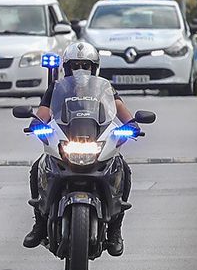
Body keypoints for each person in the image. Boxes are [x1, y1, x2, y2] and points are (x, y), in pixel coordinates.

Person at [22, 40, 138, 255]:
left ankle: (115, 230)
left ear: (94, 68)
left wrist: (132, 124)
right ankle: (39, 223)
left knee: (123, 168)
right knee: (38, 166)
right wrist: (36, 124)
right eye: (75, 66)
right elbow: (44, 113)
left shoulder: (106, 89)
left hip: (95, 142)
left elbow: (121, 110)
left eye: (86, 66)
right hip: (67, 142)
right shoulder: (56, 89)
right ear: (67, 68)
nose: (80, 70)